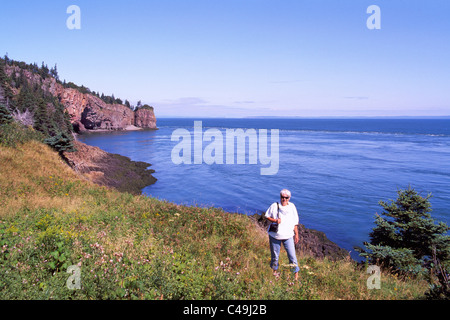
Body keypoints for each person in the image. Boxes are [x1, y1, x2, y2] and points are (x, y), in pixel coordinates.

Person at [265, 189, 300, 281]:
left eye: (286, 197)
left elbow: (295, 221)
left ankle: (295, 276)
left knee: (292, 256)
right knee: (275, 256)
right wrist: (275, 220)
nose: (284, 199)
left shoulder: (292, 206)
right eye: (282, 197)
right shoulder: (274, 205)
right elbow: (267, 216)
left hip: (288, 236)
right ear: (280, 197)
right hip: (275, 235)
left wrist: (296, 234)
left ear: (289, 198)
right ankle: (274, 273)